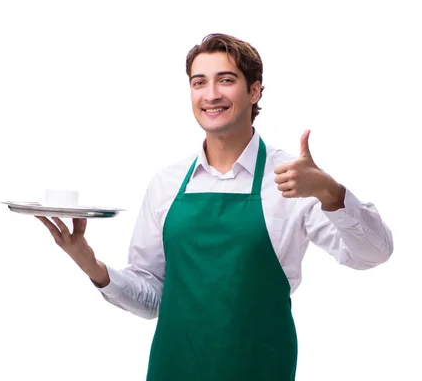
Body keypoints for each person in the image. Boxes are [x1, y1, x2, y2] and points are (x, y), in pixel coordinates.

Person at [36, 33, 393, 381]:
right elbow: (151, 299)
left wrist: (331, 193)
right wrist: (90, 263)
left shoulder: (292, 179)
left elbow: (373, 254)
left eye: (226, 80)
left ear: (254, 91)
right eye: (199, 82)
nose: (211, 95)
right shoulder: (167, 183)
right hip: (173, 370)